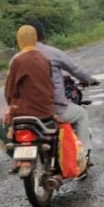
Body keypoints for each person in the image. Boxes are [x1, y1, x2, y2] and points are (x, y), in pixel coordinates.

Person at [24, 17, 98, 155]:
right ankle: (82, 156)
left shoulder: (16, 58)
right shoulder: (51, 53)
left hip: (25, 112)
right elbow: (75, 70)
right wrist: (90, 79)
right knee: (81, 114)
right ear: (42, 35)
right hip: (51, 109)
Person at [4, 25, 55, 122]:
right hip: (48, 111)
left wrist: (10, 106)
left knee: (4, 125)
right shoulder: (44, 59)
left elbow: (9, 92)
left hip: (25, 112)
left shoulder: (18, 60)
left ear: (19, 40)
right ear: (34, 38)